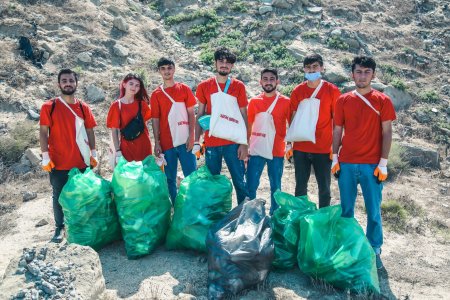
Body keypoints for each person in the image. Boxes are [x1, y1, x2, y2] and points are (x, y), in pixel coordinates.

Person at [332, 56, 396, 269]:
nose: (362, 76)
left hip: (372, 165)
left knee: (374, 210)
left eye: (366, 72)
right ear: (352, 74)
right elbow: (338, 130)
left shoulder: (383, 101)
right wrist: (334, 157)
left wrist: (383, 163)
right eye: (358, 72)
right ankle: (348, 248)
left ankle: (374, 250)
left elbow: (387, 132)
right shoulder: (343, 100)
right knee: (346, 209)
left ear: (373, 75)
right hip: (347, 163)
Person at [39, 69, 98, 243]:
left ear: (76, 83)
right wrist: (45, 156)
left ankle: (83, 226)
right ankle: (59, 228)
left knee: (84, 194)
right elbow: (43, 132)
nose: (68, 83)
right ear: (59, 84)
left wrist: (93, 153)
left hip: (81, 160)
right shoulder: (49, 106)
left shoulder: (83, 107)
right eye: (64, 80)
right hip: (58, 161)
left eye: (71, 80)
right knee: (58, 196)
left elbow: (90, 131)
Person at [194, 47, 249, 204]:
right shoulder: (204, 86)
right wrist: (197, 141)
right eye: (221, 61)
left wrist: (245, 143)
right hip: (212, 143)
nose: (224, 65)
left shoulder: (238, 86)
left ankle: (243, 216)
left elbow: (244, 115)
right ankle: (215, 216)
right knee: (213, 183)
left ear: (232, 66)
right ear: (215, 63)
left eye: (228, 62)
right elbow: (201, 114)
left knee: (240, 182)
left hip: (233, 142)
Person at [288, 54, 341, 208]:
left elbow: (337, 120)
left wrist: (336, 147)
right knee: (300, 187)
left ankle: (323, 218)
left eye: (315, 67)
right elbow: (292, 118)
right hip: (301, 147)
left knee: (324, 188)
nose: (312, 70)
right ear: (304, 69)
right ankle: (300, 217)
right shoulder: (298, 91)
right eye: (308, 67)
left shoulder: (331, 90)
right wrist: (290, 144)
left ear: (322, 68)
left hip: (323, 147)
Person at [150, 57, 197, 203]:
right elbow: (155, 119)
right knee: (170, 178)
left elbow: (191, 114)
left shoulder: (184, 89)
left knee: (191, 176)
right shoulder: (156, 94)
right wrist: (157, 142)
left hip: (185, 141)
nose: (166, 71)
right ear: (159, 71)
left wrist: (192, 136)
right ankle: (176, 208)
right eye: (163, 69)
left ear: (174, 69)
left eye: (169, 68)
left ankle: (191, 205)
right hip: (166, 142)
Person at [246, 68, 290, 214]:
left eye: (272, 79)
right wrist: (246, 146)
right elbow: (249, 126)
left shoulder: (286, 102)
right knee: (251, 184)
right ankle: (250, 215)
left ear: (277, 81)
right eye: (265, 79)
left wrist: (290, 146)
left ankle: (275, 215)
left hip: (276, 150)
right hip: (257, 149)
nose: (268, 82)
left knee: (276, 186)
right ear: (260, 82)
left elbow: (292, 124)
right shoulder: (254, 102)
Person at [106, 73, 152, 164]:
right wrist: (118, 151)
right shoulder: (116, 106)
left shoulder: (142, 104)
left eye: (137, 85)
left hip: (144, 145)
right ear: (124, 84)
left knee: (145, 175)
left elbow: (144, 124)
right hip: (127, 147)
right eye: (131, 84)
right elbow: (114, 130)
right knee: (129, 176)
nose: (134, 87)